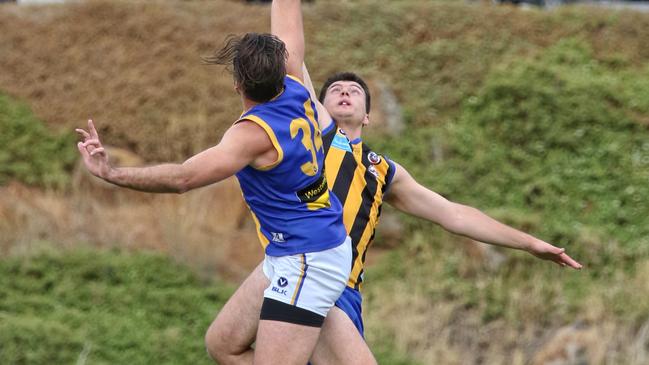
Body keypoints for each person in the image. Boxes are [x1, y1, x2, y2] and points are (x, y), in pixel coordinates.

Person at [204, 1, 583, 364]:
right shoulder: (312, 132)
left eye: (355, 90)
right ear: (315, 103)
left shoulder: (382, 171)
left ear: (368, 116)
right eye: (334, 89)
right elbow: (290, 49)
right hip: (306, 275)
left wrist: (529, 242)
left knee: (225, 347)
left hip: (344, 290)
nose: (345, 90)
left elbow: (454, 215)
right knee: (223, 346)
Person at [76, 9, 353, 364]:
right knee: (222, 344)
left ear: (237, 84)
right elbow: (286, 12)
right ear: (282, 67)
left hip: (308, 258)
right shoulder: (296, 81)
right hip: (298, 248)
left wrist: (111, 173)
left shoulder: (251, 136)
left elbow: (182, 178)